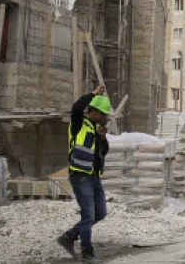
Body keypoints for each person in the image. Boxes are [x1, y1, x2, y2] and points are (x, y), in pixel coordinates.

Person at [56, 85, 111, 263]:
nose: (104, 118)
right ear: (93, 111)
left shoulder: (97, 128)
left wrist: (103, 139)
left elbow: (104, 151)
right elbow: (76, 107)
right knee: (88, 215)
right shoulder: (78, 123)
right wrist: (93, 94)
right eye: (102, 114)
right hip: (80, 176)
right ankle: (87, 253)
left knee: (100, 213)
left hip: (94, 177)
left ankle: (69, 236)